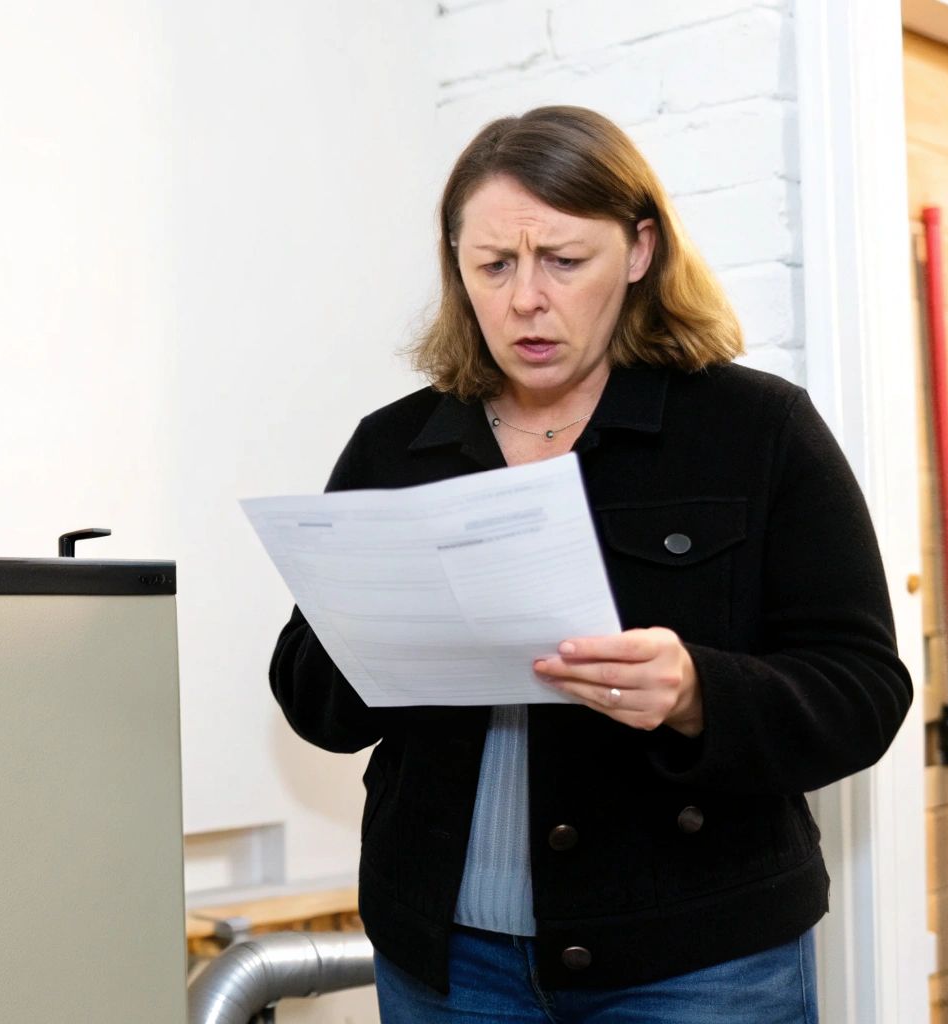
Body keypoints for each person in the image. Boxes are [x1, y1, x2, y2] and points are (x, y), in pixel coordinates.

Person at [267, 106, 912, 1023]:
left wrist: (697, 693)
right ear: (457, 266)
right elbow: (313, 705)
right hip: (445, 963)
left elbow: (863, 691)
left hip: (697, 962)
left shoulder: (756, 429)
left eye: (565, 261)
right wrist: (376, 626)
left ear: (640, 250)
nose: (526, 298)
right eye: (494, 265)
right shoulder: (395, 445)